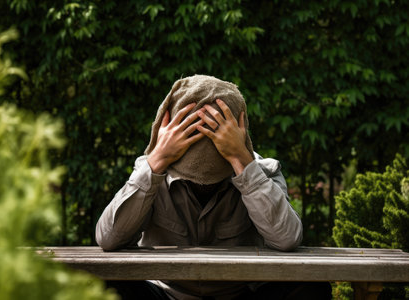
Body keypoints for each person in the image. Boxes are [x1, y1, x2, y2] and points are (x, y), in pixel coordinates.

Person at [96, 75, 331, 299]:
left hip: (240, 295)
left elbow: (287, 238)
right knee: (101, 286)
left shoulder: (263, 170)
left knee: (310, 289)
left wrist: (241, 162)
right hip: (167, 295)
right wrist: (156, 162)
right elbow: (107, 238)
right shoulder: (151, 170)